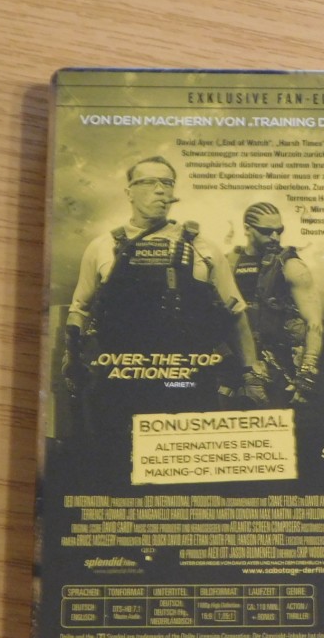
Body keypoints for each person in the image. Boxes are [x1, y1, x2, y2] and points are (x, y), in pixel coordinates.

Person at [62, 157, 268, 458]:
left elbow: (235, 313)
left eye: (167, 183)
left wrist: (250, 374)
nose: (160, 190)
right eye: (149, 182)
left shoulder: (204, 248)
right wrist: (71, 358)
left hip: (185, 379)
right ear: (129, 192)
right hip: (121, 379)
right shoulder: (102, 247)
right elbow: (79, 309)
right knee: (114, 460)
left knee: (188, 462)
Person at [226, 202, 324, 406]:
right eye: (266, 231)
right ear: (247, 229)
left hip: (280, 365)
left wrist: (307, 371)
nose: (275, 237)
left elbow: (314, 322)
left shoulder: (291, 265)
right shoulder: (229, 262)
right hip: (238, 366)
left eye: (279, 231)